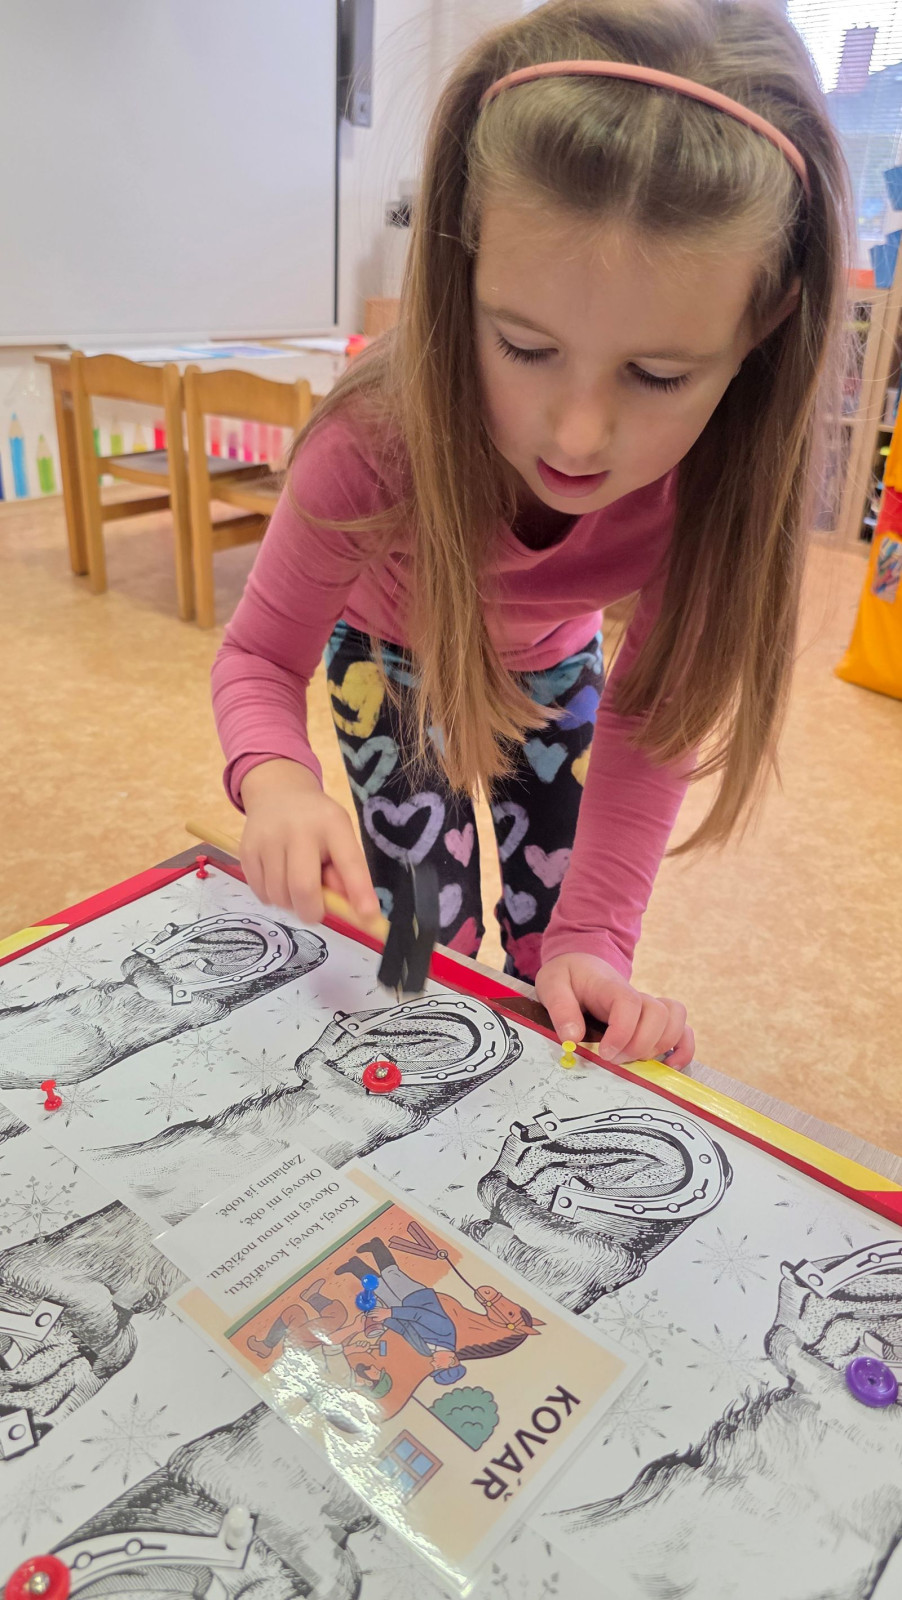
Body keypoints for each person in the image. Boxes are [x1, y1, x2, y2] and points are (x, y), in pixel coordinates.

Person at [212, 0, 848, 1065]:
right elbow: (258, 658)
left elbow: (652, 722)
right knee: (424, 938)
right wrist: (276, 780)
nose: (579, 435)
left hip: (555, 664)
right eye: (523, 346)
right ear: (458, 269)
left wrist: (594, 946)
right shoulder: (373, 440)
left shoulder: (717, 485)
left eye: (658, 375)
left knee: (554, 944)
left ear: (763, 325)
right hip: (389, 658)